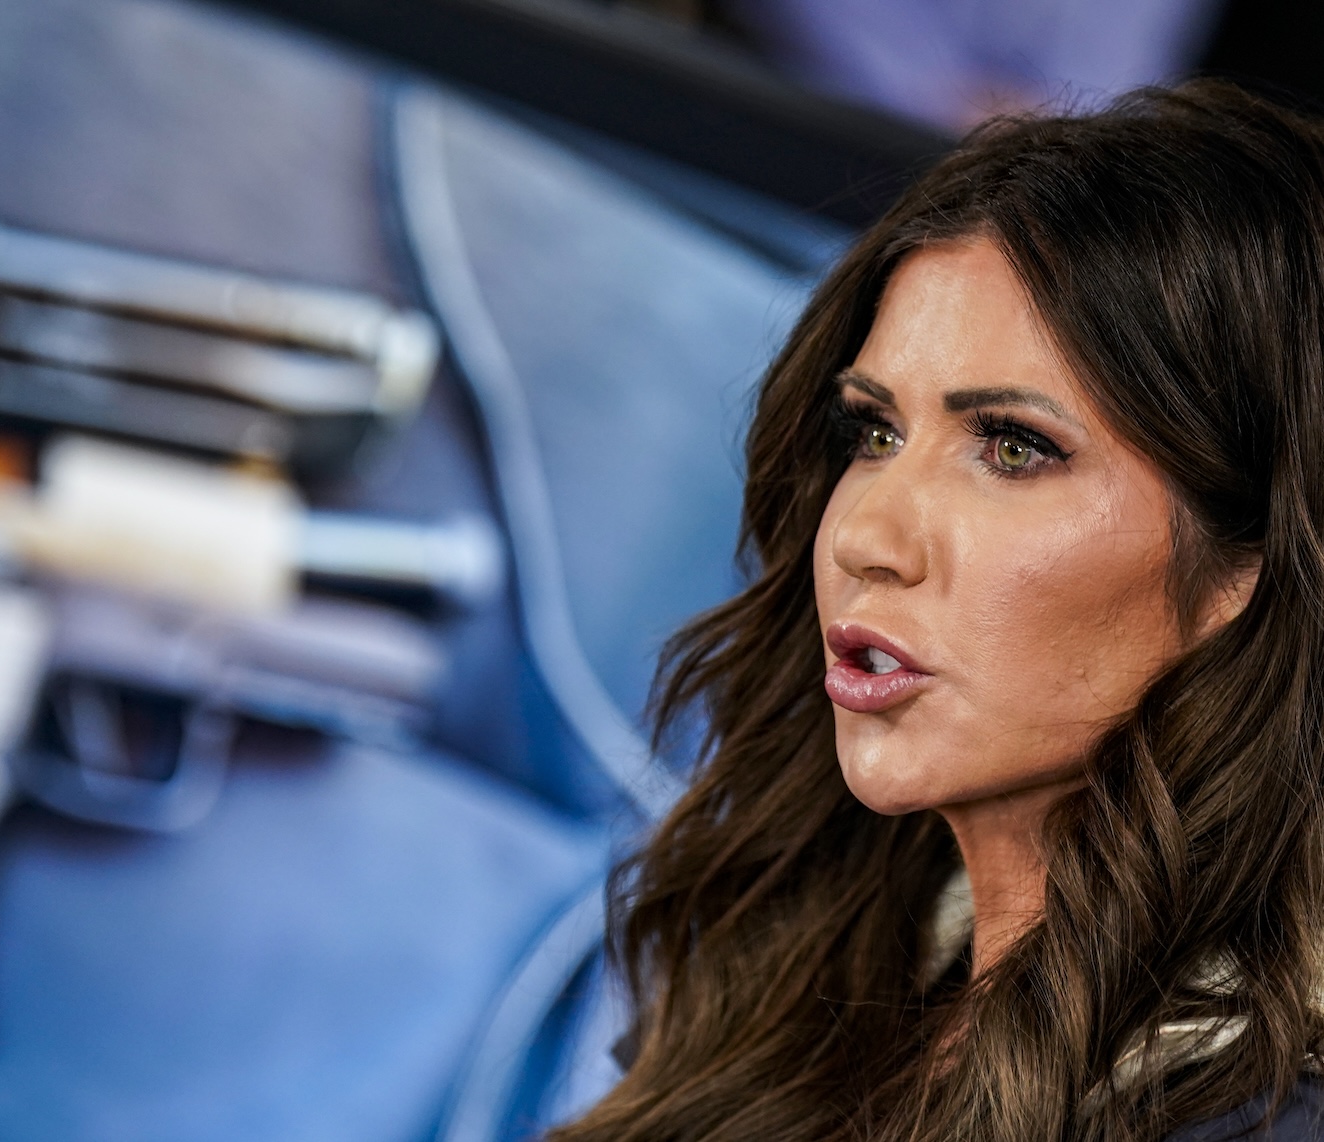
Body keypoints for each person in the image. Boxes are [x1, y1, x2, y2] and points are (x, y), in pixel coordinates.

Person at [551, 81, 1324, 1142]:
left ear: (1259, 558)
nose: (865, 535)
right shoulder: (812, 944)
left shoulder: (1264, 1112)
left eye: (1012, 447)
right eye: (874, 433)